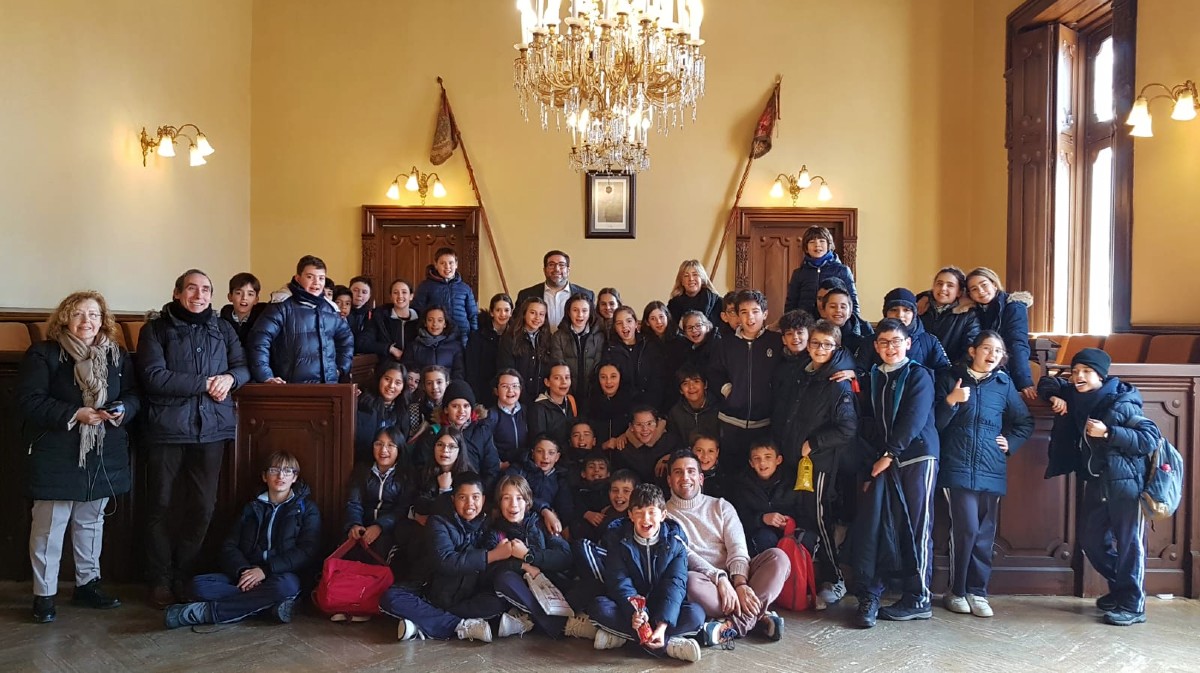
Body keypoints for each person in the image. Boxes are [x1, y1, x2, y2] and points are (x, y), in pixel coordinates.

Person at [17, 290, 141, 623]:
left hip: (102, 452)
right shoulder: (44, 354)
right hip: (56, 453)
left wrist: (122, 409)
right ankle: (44, 596)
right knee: (49, 528)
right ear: (64, 319)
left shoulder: (116, 355)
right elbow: (30, 401)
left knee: (91, 522)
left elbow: (132, 394)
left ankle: (88, 585)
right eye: (79, 314)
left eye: (94, 315)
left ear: (104, 321)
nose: (87, 321)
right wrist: (76, 413)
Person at [136, 269, 250, 608]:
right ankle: (159, 578)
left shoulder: (222, 327)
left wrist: (230, 378)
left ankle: (185, 574)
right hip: (167, 430)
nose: (199, 295)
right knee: (160, 505)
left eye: (205, 290)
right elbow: (154, 376)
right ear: (177, 293)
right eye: (191, 289)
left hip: (211, 430)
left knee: (203, 507)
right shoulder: (156, 329)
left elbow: (243, 366)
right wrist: (204, 383)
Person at [1040, 348, 1161, 626]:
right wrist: (1054, 395)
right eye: (1075, 371)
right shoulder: (1074, 392)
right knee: (1091, 540)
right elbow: (1047, 381)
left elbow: (1149, 438)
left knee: (1129, 543)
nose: (1078, 376)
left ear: (1100, 375)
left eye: (1086, 371)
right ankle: (1122, 589)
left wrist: (1109, 433)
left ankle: (1133, 604)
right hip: (1096, 481)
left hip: (1125, 483)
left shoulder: (1121, 401)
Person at [936, 331, 1034, 618]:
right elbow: (934, 424)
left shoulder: (1004, 384)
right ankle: (956, 591)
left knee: (984, 534)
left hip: (992, 468)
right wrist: (951, 401)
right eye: (986, 349)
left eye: (998, 351)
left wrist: (1010, 443)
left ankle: (978, 592)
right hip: (957, 466)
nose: (992, 355)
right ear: (972, 350)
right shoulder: (950, 379)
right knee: (965, 530)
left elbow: (1024, 422)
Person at [165, 451, 321, 629]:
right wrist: (244, 571)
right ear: (264, 476)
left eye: (287, 471)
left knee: (285, 587)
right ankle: (269, 607)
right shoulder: (251, 507)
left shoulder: (307, 509)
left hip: (282, 575)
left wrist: (265, 571)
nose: (280, 476)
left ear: (295, 477)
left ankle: (205, 613)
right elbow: (229, 546)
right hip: (245, 574)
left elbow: (307, 551)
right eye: (274, 470)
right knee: (198, 586)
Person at [851, 318, 940, 628]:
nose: (890, 347)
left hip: (917, 456)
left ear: (908, 344)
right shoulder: (877, 376)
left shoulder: (919, 374)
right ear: (876, 347)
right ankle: (890, 592)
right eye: (884, 342)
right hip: (889, 458)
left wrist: (889, 454)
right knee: (890, 525)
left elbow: (914, 419)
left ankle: (921, 598)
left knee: (919, 526)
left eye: (896, 341)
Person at [771, 319, 858, 604]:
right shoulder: (804, 372)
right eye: (815, 343)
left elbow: (846, 428)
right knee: (803, 517)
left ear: (837, 347)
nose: (819, 349)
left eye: (826, 344)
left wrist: (814, 444)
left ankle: (836, 578)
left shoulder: (838, 383)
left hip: (818, 462)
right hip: (794, 459)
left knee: (820, 518)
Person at [664, 450, 789, 644]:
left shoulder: (721, 506)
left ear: (701, 478)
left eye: (690, 471)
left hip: (739, 577)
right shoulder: (663, 516)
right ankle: (757, 617)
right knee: (688, 581)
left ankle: (731, 626)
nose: (685, 477)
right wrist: (720, 579)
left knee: (778, 557)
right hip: (706, 583)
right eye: (678, 472)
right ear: (669, 480)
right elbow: (687, 556)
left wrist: (740, 584)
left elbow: (738, 548)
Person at [379, 472, 517, 642]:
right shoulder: (438, 523)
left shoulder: (487, 523)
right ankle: (460, 626)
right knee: (391, 598)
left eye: (475, 497)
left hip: (464, 599)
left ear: (483, 498)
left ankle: (424, 625)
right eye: (462, 498)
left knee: (498, 601)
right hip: (432, 594)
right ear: (453, 499)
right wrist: (492, 555)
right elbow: (447, 561)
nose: (469, 504)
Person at [589, 483, 705, 662]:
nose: (645, 518)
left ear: (663, 515)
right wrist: (636, 612)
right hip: (632, 607)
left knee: (696, 614)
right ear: (630, 515)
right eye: (639, 512)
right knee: (600, 607)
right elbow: (619, 581)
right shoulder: (617, 539)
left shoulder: (676, 542)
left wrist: (662, 626)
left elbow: (675, 584)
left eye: (652, 512)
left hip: (662, 605)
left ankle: (628, 638)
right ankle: (669, 646)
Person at [487, 474, 577, 638]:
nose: (513, 504)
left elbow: (565, 557)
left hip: (550, 585)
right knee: (504, 579)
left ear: (528, 502)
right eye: (506, 498)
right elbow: (491, 570)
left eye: (519, 498)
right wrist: (524, 565)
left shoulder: (542, 524)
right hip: (522, 591)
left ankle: (528, 620)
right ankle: (558, 625)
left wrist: (529, 555)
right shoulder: (496, 532)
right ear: (499, 503)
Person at [248, 254, 354, 383]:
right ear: (298, 278)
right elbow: (259, 341)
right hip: (292, 387)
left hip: (328, 386)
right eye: (310, 277)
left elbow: (346, 339)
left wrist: (340, 368)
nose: (316, 283)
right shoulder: (281, 306)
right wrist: (265, 376)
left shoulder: (330, 309)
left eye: (321, 278)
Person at [709, 289, 783, 469]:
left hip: (764, 423)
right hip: (730, 422)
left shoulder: (776, 342)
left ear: (764, 314)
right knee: (731, 472)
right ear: (737, 316)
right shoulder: (724, 343)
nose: (750, 318)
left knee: (757, 471)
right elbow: (713, 372)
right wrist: (727, 390)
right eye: (744, 312)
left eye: (755, 311)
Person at [965, 267, 1035, 399]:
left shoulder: (1014, 306)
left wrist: (1023, 381)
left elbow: (1017, 344)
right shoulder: (976, 310)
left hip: (1005, 369)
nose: (980, 291)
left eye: (984, 285)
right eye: (974, 289)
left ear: (994, 285)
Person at [730, 441, 803, 556]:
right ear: (751, 463)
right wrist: (762, 519)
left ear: (778, 460)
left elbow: (803, 510)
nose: (762, 462)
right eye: (756, 458)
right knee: (765, 538)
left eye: (768, 457)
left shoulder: (792, 481)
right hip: (759, 534)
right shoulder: (742, 484)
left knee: (806, 537)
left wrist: (789, 520)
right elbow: (738, 519)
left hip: (789, 531)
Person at [857, 288, 950, 375]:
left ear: (914, 314)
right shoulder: (870, 342)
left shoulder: (930, 341)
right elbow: (859, 372)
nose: (900, 315)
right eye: (894, 310)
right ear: (885, 313)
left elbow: (944, 374)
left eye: (906, 310)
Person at [504, 436, 574, 539]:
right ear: (532, 453)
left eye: (551, 453)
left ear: (557, 457)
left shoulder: (560, 478)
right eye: (540, 451)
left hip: (548, 523)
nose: (545, 457)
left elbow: (565, 506)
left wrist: (565, 525)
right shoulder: (519, 470)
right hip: (518, 519)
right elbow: (511, 490)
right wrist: (544, 510)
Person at [784, 226, 860, 318]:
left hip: (834, 324)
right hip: (806, 325)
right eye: (812, 242)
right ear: (806, 248)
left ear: (829, 245)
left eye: (822, 241)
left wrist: (854, 327)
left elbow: (853, 302)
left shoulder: (843, 270)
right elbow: (791, 304)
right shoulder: (799, 273)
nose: (817, 245)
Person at [603, 305, 667, 412]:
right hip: (623, 409)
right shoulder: (610, 349)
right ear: (614, 327)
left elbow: (658, 379)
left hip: (652, 406)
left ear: (636, 324)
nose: (624, 326)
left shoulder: (649, 345)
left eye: (629, 321)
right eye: (619, 323)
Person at [412, 247, 478, 345]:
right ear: (436, 265)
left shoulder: (465, 288)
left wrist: (474, 336)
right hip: (436, 338)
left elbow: (473, 315)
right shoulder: (425, 286)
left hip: (462, 338)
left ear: (456, 265)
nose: (447, 267)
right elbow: (417, 312)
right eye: (442, 263)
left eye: (451, 263)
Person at [516, 250, 594, 333]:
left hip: (572, 345)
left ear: (568, 270)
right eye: (551, 265)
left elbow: (593, 326)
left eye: (561, 265)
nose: (556, 269)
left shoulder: (587, 295)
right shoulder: (526, 295)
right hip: (538, 345)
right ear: (544, 270)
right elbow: (517, 325)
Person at [549, 293, 604, 408]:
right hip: (566, 395)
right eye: (575, 310)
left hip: (593, 396)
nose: (580, 315)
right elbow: (558, 366)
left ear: (590, 313)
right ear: (568, 312)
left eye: (584, 311)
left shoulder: (599, 337)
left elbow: (599, 366)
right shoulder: (558, 336)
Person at [918, 266, 980, 365]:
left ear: (959, 292)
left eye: (950, 285)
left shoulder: (968, 315)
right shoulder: (919, 309)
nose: (943, 288)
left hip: (950, 373)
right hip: (919, 371)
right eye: (939, 283)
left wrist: (952, 373)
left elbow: (970, 350)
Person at [355, 360, 411, 465]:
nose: (391, 386)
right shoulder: (362, 403)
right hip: (363, 463)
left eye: (398, 383)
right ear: (379, 379)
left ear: (403, 388)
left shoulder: (403, 410)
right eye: (387, 379)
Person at [498, 297, 551, 406]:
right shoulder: (510, 338)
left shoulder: (548, 338)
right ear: (524, 314)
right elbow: (507, 370)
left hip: (542, 399)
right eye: (533, 313)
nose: (537, 318)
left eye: (541, 314)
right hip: (516, 398)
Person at [466, 293, 513, 407]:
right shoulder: (478, 337)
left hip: (508, 393)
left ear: (511, 312)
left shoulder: (515, 336)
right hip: (484, 393)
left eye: (506, 310)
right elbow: (472, 369)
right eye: (498, 310)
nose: (503, 314)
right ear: (492, 312)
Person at [612, 405, 677, 483]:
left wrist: (670, 457)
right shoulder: (623, 448)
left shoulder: (670, 441)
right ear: (631, 427)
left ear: (657, 424)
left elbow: (685, 455)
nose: (645, 429)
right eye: (639, 425)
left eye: (649, 424)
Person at [402, 306, 466, 380]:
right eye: (430, 320)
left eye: (440, 320)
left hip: (448, 389)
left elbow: (459, 373)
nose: (435, 324)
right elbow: (407, 371)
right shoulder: (413, 346)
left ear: (445, 324)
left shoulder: (456, 347)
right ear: (425, 323)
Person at [363, 279, 421, 362]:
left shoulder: (421, 319)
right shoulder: (379, 318)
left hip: (415, 368)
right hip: (389, 367)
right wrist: (390, 348)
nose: (400, 296)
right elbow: (363, 343)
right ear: (391, 297)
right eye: (395, 292)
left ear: (411, 296)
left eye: (404, 292)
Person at [527, 361, 577, 450]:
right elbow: (538, 440)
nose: (564, 382)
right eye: (557, 378)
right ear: (547, 382)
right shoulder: (539, 408)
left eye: (567, 377)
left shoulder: (570, 401)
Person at [666, 367, 720, 446]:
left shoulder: (719, 409)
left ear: (705, 385)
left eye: (696, 381)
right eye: (685, 383)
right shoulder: (675, 413)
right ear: (681, 390)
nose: (691, 387)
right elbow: (674, 443)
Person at [665, 310, 719, 386]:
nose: (694, 330)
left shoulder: (717, 344)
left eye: (698, 325)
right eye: (689, 328)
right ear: (685, 334)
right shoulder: (691, 349)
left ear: (707, 327)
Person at [489, 368, 528, 469]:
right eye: (505, 386)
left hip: (525, 465)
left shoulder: (527, 411)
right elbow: (487, 446)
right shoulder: (491, 415)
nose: (511, 390)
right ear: (496, 390)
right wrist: (498, 463)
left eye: (515, 386)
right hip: (502, 467)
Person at [667, 259, 723, 328]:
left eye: (695, 274)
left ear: (702, 279)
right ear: (681, 281)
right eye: (686, 276)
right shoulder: (673, 305)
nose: (691, 279)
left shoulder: (718, 302)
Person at [219, 272, 266, 346]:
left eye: (250, 294)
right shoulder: (223, 320)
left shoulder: (261, 321)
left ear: (256, 300)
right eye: (238, 293)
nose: (244, 298)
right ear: (230, 297)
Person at [345, 275, 375, 348]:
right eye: (355, 290)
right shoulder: (340, 311)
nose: (359, 295)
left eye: (364, 292)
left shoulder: (372, 315)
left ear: (369, 296)